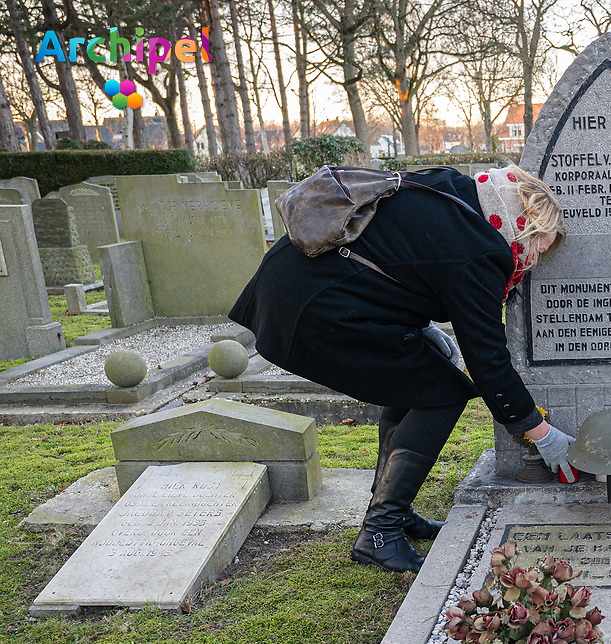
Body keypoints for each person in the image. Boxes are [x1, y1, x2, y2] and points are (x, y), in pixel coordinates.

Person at [230, 165, 577, 574]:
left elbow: (400, 253)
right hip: (314, 309)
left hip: (300, 282)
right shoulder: (483, 249)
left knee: (414, 384)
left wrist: (420, 325)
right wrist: (539, 432)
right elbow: (488, 362)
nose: (533, 259)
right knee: (442, 394)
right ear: (521, 225)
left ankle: (394, 510)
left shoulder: (461, 192)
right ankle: (380, 533)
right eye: (537, 245)